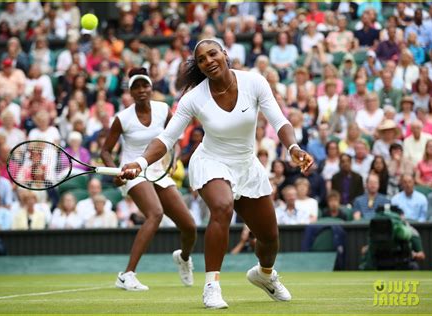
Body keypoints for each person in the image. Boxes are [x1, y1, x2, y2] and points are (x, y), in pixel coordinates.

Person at [119, 39, 314, 309]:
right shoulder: (193, 98)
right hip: (211, 161)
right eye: (201, 59)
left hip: (247, 165)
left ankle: (264, 274)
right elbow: (166, 139)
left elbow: (279, 121)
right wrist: (139, 163)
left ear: (225, 54)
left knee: (269, 238)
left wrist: (293, 147)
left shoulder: (254, 82)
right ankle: (211, 285)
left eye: (213, 54)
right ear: (198, 66)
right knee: (222, 207)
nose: (209, 61)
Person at [101, 68, 197, 291]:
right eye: (136, 87)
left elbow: (174, 137)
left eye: (145, 85)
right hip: (133, 172)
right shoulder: (122, 118)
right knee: (155, 213)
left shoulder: (163, 110)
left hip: (158, 171)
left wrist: (173, 159)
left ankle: (183, 258)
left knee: (189, 226)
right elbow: (106, 151)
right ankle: (127, 275)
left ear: (151, 88)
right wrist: (115, 171)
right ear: (131, 92)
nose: (142, 90)